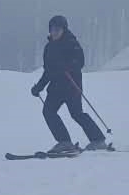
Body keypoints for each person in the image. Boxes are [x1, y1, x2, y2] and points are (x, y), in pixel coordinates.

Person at [31, 15, 108, 154]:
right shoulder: (49, 48)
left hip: (71, 86)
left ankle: (98, 140)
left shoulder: (72, 43)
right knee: (48, 112)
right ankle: (64, 142)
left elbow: (80, 62)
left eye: (57, 29)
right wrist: (39, 87)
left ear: (64, 30)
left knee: (77, 114)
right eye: (52, 29)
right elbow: (48, 71)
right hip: (55, 88)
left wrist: (67, 65)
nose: (54, 32)